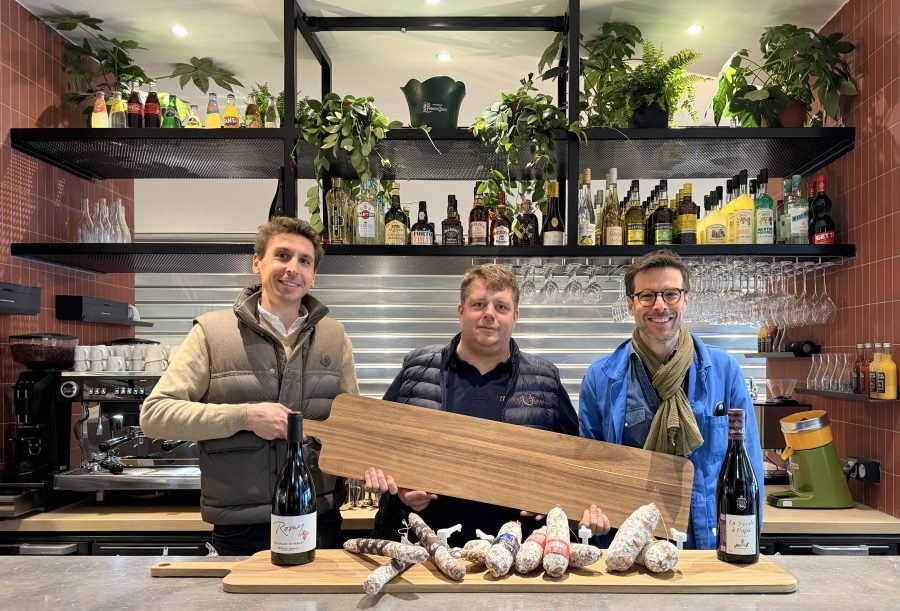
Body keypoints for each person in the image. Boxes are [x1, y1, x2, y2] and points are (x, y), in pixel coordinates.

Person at [140, 217, 359, 556]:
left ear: (313, 274)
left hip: (320, 519)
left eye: (304, 261)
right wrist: (244, 417)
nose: (293, 269)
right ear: (257, 262)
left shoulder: (334, 336)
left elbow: (353, 424)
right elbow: (156, 415)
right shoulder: (212, 333)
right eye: (282, 256)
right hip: (240, 525)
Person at [364, 263, 610, 544]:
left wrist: (555, 499)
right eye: (478, 304)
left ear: (515, 316)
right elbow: (377, 445)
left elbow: (573, 463)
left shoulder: (545, 379)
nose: (489, 314)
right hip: (421, 546)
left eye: (501, 307)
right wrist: (400, 488)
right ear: (461, 311)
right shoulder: (417, 368)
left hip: (515, 554)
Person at [579, 249, 764, 550]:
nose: (660, 306)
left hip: (706, 543)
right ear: (630, 304)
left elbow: (749, 464)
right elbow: (592, 470)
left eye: (671, 294)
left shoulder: (724, 371)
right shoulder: (600, 379)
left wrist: (745, 543)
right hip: (629, 545)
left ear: (686, 300)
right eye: (647, 296)